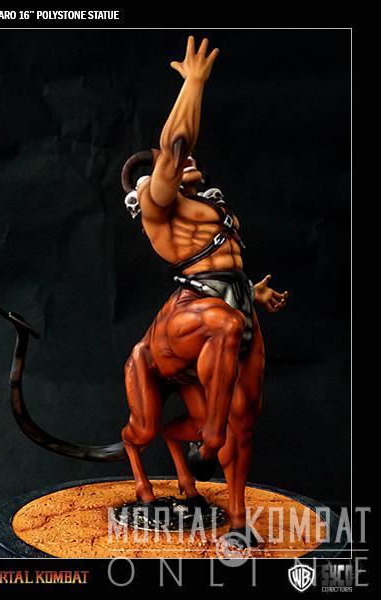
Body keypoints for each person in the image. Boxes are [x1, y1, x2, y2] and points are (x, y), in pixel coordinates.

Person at [121, 36, 289, 544]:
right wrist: (193, 85)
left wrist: (252, 293)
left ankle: (236, 520)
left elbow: (223, 266)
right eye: (168, 165)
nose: (185, 160)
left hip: (232, 306)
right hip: (193, 311)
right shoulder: (160, 206)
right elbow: (175, 145)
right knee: (221, 328)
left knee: (246, 420)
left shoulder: (213, 208)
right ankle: (203, 442)